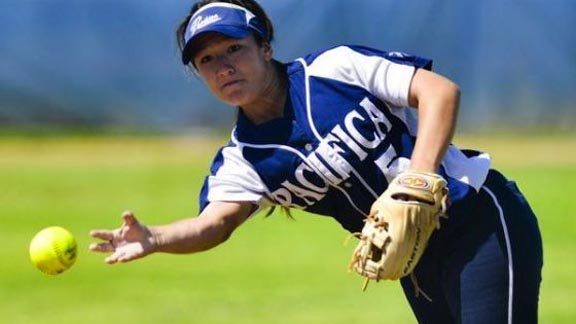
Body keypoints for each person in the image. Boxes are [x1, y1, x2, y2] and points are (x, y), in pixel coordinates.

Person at [89, 1, 543, 323]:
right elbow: (215, 224)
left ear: (265, 47)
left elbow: (439, 91)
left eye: (234, 49)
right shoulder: (243, 159)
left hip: (477, 221)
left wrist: (419, 179)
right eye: (207, 59)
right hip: (412, 256)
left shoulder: (334, 69)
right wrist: (156, 237)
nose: (223, 66)